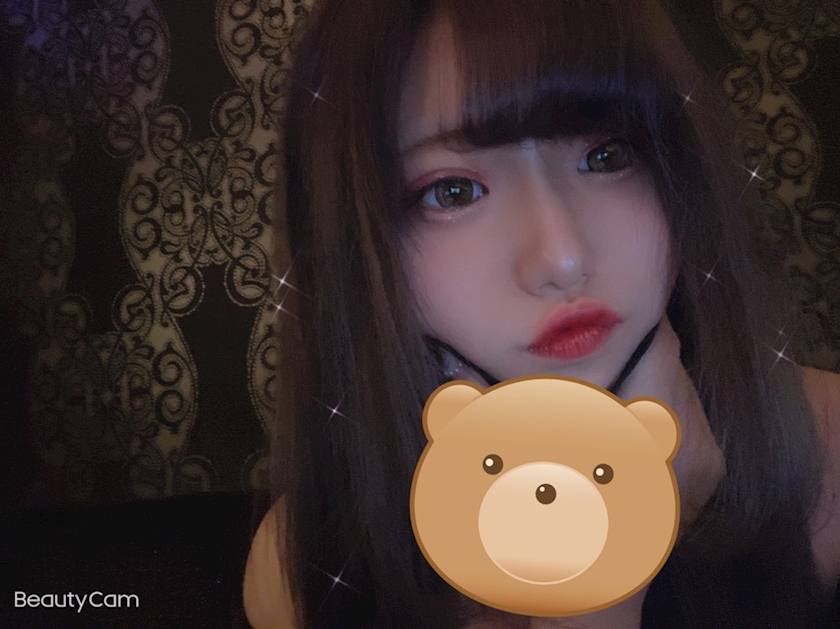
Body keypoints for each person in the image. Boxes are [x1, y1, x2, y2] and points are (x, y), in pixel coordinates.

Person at [244, 0, 840, 627]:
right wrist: (604, 571)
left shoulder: (827, 447)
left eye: (607, 157)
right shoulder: (300, 569)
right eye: (453, 191)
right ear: (357, 249)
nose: (562, 258)